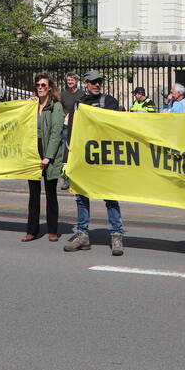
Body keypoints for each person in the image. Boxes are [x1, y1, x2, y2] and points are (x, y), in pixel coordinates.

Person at [64, 70, 128, 255]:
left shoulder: (110, 102)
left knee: (110, 197)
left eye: (99, 81)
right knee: (81, 197)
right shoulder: (79, 104)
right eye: (93, 82)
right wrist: (68, 159)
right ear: (86, 83)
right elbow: (72, 132)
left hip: (106, 158)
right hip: (84, 157)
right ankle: (82, 234)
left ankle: (116, 234)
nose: (97, 84)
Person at [24, 72, 64, 242]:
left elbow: (56, 133)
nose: (40, 88)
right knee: (33, 194)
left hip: (50, 153)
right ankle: (32, 230)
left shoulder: (56, 106)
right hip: (33, 151)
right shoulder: (31, 105)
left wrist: (48, 157)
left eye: (44, 85)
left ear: (49, 88)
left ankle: (52, 230)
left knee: (50, 193)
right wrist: (25, 107)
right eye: (38, 85)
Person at [59, 72, 82, 191]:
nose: (70, 82)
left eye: (72, 80)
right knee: (66, 152)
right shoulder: (63, 94)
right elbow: (59, 107)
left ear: (76, 81)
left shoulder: (81, 94)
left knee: (78, 150)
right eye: (68, 80)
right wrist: (64, 116)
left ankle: (78, 178)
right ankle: (66, 178)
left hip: (78, 126)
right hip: (66, 127)